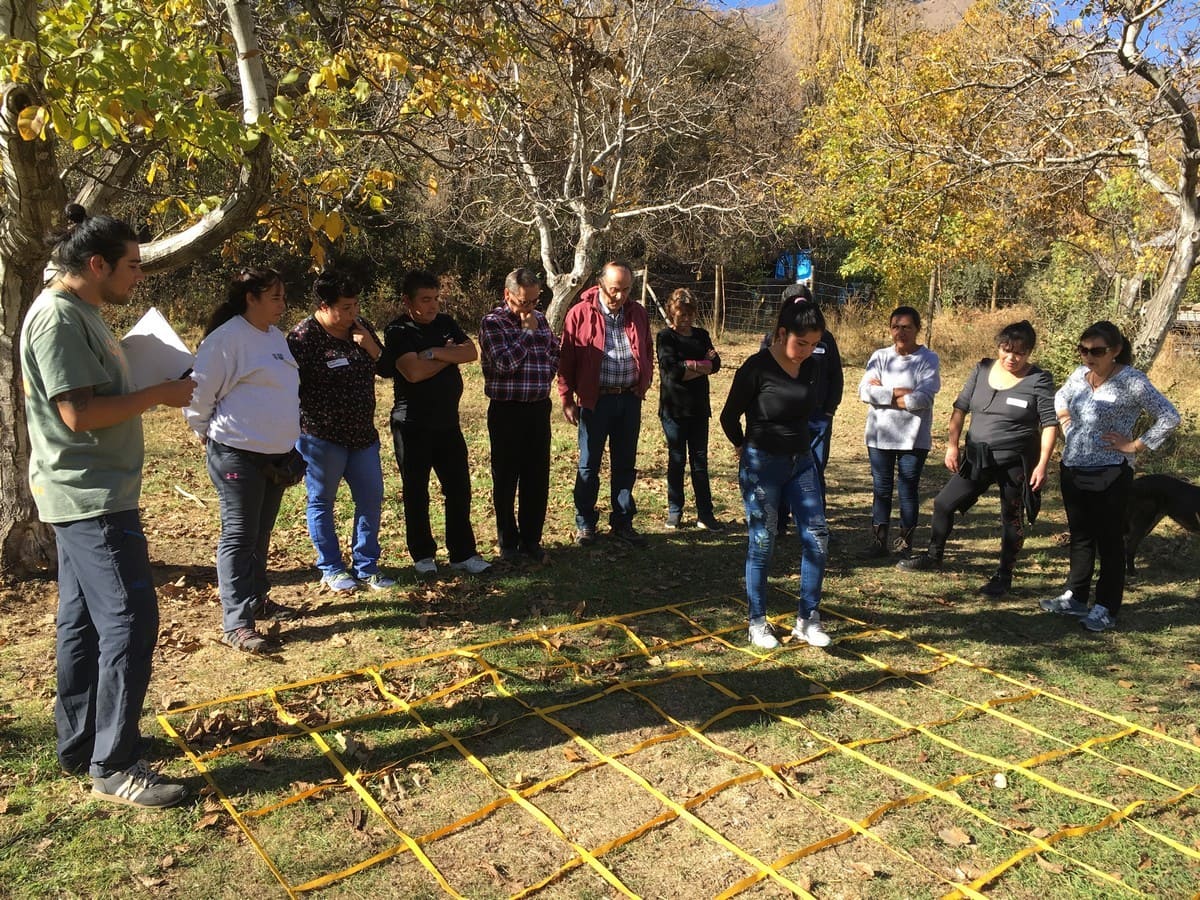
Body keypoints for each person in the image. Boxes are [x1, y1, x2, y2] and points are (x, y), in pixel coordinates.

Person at [20, 204, 195, 807]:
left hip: (93, 491)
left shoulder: (83, 312)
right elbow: (78, 414)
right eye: (131, 266)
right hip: (89, 497)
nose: (138, 276)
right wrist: (160, 394)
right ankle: (115, 764)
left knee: (84, 622)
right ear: (96, 265)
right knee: (128, 620)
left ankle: (82, 742)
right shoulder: (59, 320)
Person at [185, 268, 302, 654]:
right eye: (275, 297)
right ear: (250, 298)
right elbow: (199, 394)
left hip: (276, 455)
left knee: (260, 533)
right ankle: (237, 622)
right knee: (238, 535)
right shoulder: (226, 339)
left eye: (283, 297)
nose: (282, 305)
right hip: (236, 452)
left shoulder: (275, 338)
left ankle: (256, 597)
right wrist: (202, 429)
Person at [898, 321, 1057, 597]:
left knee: (1011, 517)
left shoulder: (1038, 380)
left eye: (1019, 353)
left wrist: (1042, 464)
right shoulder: (982, 369)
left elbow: (1050, 424)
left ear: (1029, 352)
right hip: (977, 457)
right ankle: (933, 556)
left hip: (1015, 462)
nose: (1011, 358)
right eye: (1006, 350)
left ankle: (1004, 576)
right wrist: (952, 445)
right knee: (943, 503)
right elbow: (960, 409)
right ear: (998, 348)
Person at [1040, 321, 1179, 632]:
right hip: (1073, 466)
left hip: (1111, 472)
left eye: (1097, 351)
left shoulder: (1132, 381)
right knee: (1081, 536)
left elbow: (1169, 416)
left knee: (1110, 541)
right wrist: (1066, 424)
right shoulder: (1078, 375)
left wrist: (1135, 445)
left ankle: (1105, 607)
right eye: (1084, 349)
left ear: (1115, 351)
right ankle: (1075, 597)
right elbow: (1060, 398)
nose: (1089, 356)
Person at [720, 300, 831, 650]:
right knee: (763, 541)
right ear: (782, 333)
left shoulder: (812, 366)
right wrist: (742, 447)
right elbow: (728, 416)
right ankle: (757, 621)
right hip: (762, 465)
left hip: (801, 463)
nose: (807, 351)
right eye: (802, 343)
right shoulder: (757, 368)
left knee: (818, 536)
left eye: (814, 344)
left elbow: (812, 408)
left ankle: (807, 619)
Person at [288, 267, 394, 594]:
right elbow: (286, 388)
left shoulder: (361, 329)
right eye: (345, 308)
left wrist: (370, 346)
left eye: (356, 305)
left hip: (362, 436)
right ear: (323, 306)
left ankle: (367, 566)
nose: (353, 313)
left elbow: (388, 369)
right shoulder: (302, 338)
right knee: (322, 501)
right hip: (321, 437)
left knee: (371, 498)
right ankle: (331, 568)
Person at [378, 270, 490, 575]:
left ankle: (463, 553)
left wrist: (434, 353)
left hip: (448, 424)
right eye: (425, 300)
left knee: (459, 488)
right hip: (412, 425)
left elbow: (470, 352)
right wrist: (447, 357)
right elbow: (412, 372)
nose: (432, 306)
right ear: (407, 301)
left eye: (436, 299)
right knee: (416, 491)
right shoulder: (398, 330)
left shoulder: (445, 323)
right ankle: (423, 555)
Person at [558, 261, 654, 548]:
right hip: (595, 400)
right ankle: (585, 523)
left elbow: (646, 347)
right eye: (614, 290)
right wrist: (566, 398)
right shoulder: (579, 313)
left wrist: (645, 379)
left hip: (629, 398)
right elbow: (566, 360)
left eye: (626, 290)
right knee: (589, 464)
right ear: (600, 285)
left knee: (625, 464)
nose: (620, 296)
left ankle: (623, 522)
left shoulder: (637, 313)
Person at [479, 267, 560, 565]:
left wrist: (547, 370)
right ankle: (508, 541)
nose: (529, 308)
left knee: (536, 477)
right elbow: (504, 364)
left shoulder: (541, 320)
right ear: (507, 295)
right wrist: (526, 332)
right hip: (507, 409)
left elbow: (554, 351)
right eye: (523, 302)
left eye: (534, 302)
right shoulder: (493, 323)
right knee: (506, 477)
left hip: (538, 408)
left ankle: (531, 540)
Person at [859, 306, 941, 557]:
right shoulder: (880, 356)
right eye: (896, 326)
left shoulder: (928, 359)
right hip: (879, 435)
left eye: (906, 327)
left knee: (908, 489)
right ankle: (878, 542)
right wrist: (900, 392)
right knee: (881, 489)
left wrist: (883, 393)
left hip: (914, 438)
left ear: (917, 329)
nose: (900, 332)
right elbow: (864, 392)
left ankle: (905, 542)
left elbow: (923, 398)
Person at [760, 283, 843, 522]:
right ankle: (780, 518)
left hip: (818, 417)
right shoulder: (772, 339)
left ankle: (814, 518)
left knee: (814, 467)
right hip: (784, 418)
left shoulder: (825, 339)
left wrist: (829, 411)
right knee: (783, 466)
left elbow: (836, 375)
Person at [656, 288, 723, 531]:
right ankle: (675, 511)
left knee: (700, 462)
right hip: (674, 409)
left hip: (698, 409)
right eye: (680, 314)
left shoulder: (702, 335)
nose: (685, 319)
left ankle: (705, 513)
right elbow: (671, 372)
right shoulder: (665, 337)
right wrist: (699, 365)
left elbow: (716, 364)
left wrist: (689, 366)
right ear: (671, 312)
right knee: (676, 460)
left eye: (689, 314)